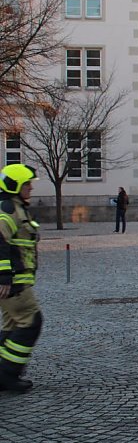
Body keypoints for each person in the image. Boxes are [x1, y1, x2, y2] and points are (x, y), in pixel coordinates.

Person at [0, 164, 42, 392]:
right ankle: (8, 373)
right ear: (15, 185)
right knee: (31, 322)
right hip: (14, 283)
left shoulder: (15, 208)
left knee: (11, 325)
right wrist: (4, 276)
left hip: (15, 281)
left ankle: (3, 368)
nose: (31, 188)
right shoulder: (7, 210)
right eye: (27, 184)